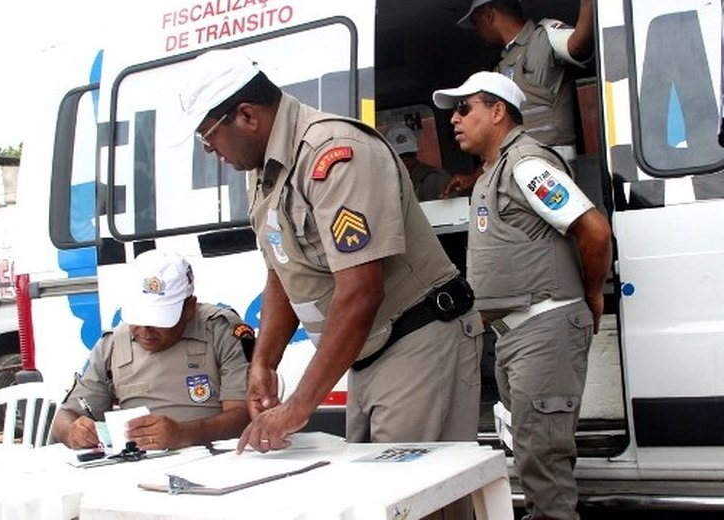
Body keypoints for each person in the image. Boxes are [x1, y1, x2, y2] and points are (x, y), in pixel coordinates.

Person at [173, 49, 484, 456]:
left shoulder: (335, 153)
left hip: (416, 340)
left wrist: (299, 406)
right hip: (368, 349)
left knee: (413, 500)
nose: (209, 149)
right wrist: (263, 363)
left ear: (247, 115)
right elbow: (282, 269)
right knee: (378, 495)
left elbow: (361, 292)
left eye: (207, 133)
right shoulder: (263, 172)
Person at [432, 71, 612, 520]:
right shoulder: (495, 171)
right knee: (531, 457)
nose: (454, 119)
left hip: (543, 325)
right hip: (517, 334)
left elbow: (593, 229)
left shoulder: (527, 166)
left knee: (543, 466)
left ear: (497, 112)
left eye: (463, 107)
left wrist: (591, 294)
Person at [51, 250, 252, 451]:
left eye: (159, 319)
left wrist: (184, 434)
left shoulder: (222, 331)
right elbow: (65, 416)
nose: (145, 331)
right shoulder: (113, 344)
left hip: (214, 459)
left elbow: (245, 415)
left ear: (189, 308)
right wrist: (74, 432)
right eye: (138, 317)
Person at [445, 0, 594, 196]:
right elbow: (502, 136)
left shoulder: (543, 37)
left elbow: (578, 44)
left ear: (489, 15)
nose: (476, 30)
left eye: (476, 22)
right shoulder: (502, 63)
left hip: (549, 172)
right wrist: (474, 177)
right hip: (516, 172)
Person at [385, 126, 452, 201]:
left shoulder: (434, 178)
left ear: (415, 153)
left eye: (409, 155)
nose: (405, 161)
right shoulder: (388, 183)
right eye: (400, 157)